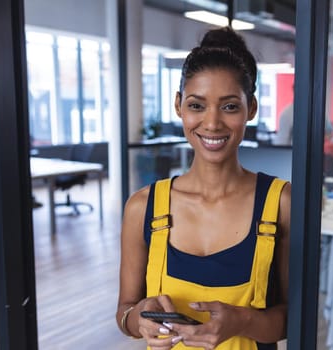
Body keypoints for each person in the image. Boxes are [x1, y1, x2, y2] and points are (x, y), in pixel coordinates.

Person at [116, 26, 291, 350]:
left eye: (229, 106)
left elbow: (292, 319)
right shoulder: (143, 207)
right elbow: (125, 312)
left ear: (250, 109)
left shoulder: (280, 203)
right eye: (197, 105)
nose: (212, 123)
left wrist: (242, 321)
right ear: (179, 105)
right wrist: (139, 316)